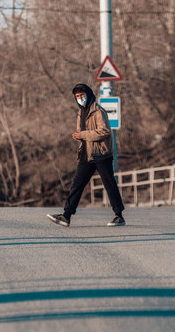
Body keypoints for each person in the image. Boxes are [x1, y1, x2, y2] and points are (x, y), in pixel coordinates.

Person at [47, 83, 126, 227]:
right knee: (77, 184)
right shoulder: (80, 113)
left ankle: (118, 215)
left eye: (82, 95)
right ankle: (66, 215)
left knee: (109, 185)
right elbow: (82, 132)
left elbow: (104, 131)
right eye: (77, 96)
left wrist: (83, 134)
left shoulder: (98, 111)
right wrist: (79, 137)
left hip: (101, 154)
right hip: (87, 154)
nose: (80, 98)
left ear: (88, 94)